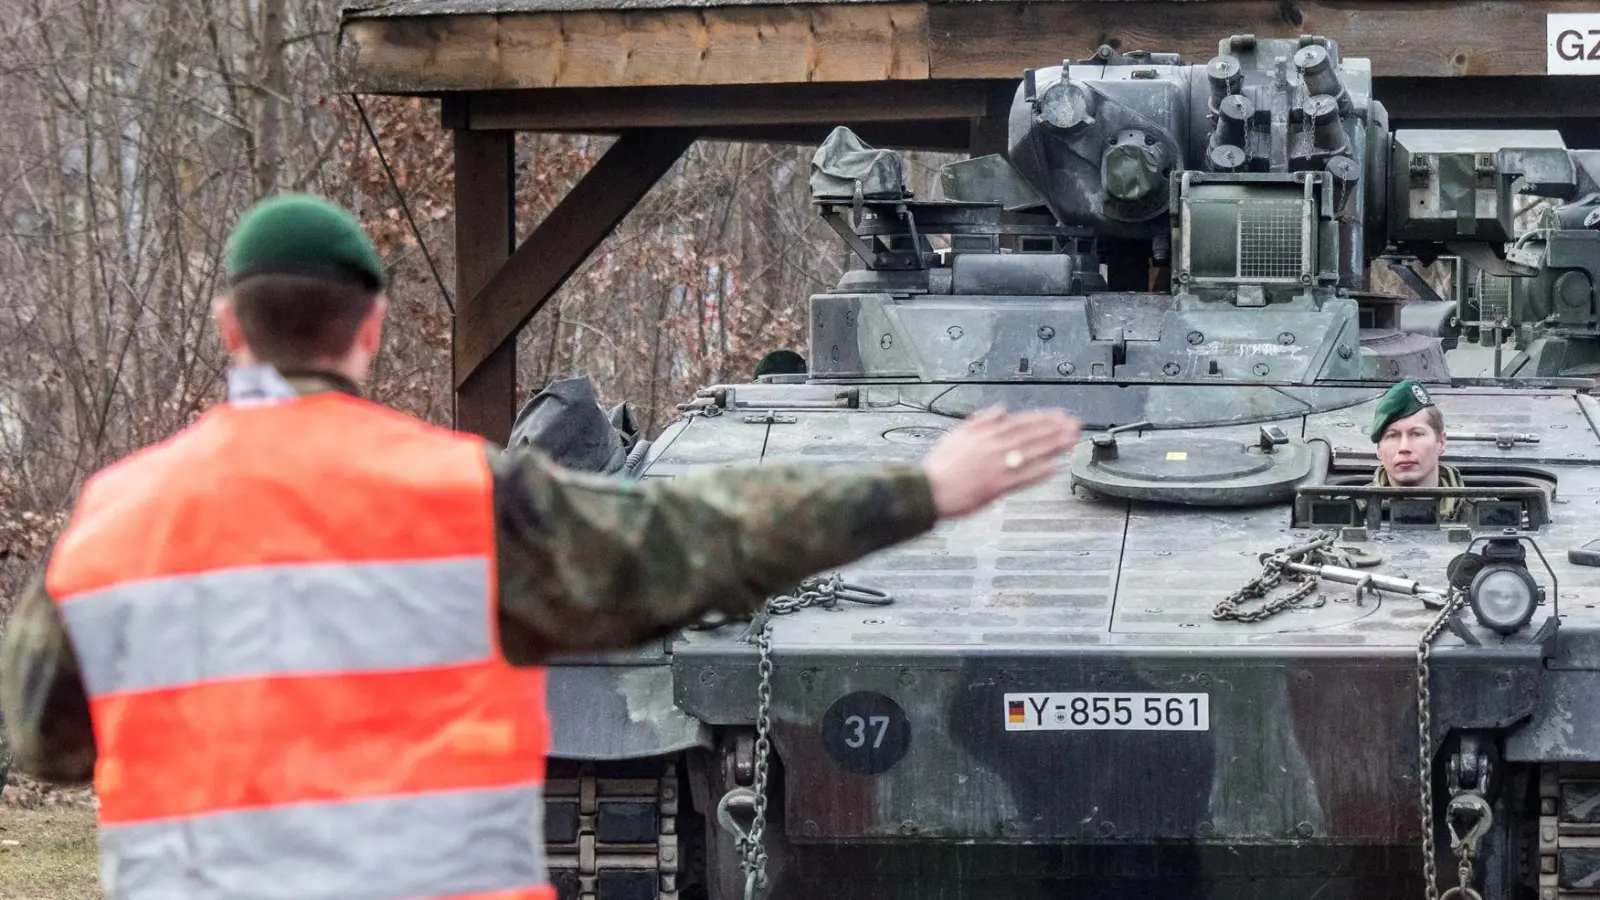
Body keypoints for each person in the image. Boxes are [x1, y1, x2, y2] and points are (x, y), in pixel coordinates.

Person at [0, 194, 1080, 900]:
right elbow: (693, 539)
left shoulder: (112, 521)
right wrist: (916, 491)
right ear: (369, 327)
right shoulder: (465, 499)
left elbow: (47, 744)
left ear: (230, 327)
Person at [1369, 379, 1463, 519]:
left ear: (1441, 443)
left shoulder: (1483, 511)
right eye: (1392, 436)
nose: (1404, 448)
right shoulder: (1349, 511)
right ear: (1378, 449)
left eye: (1417, 434)